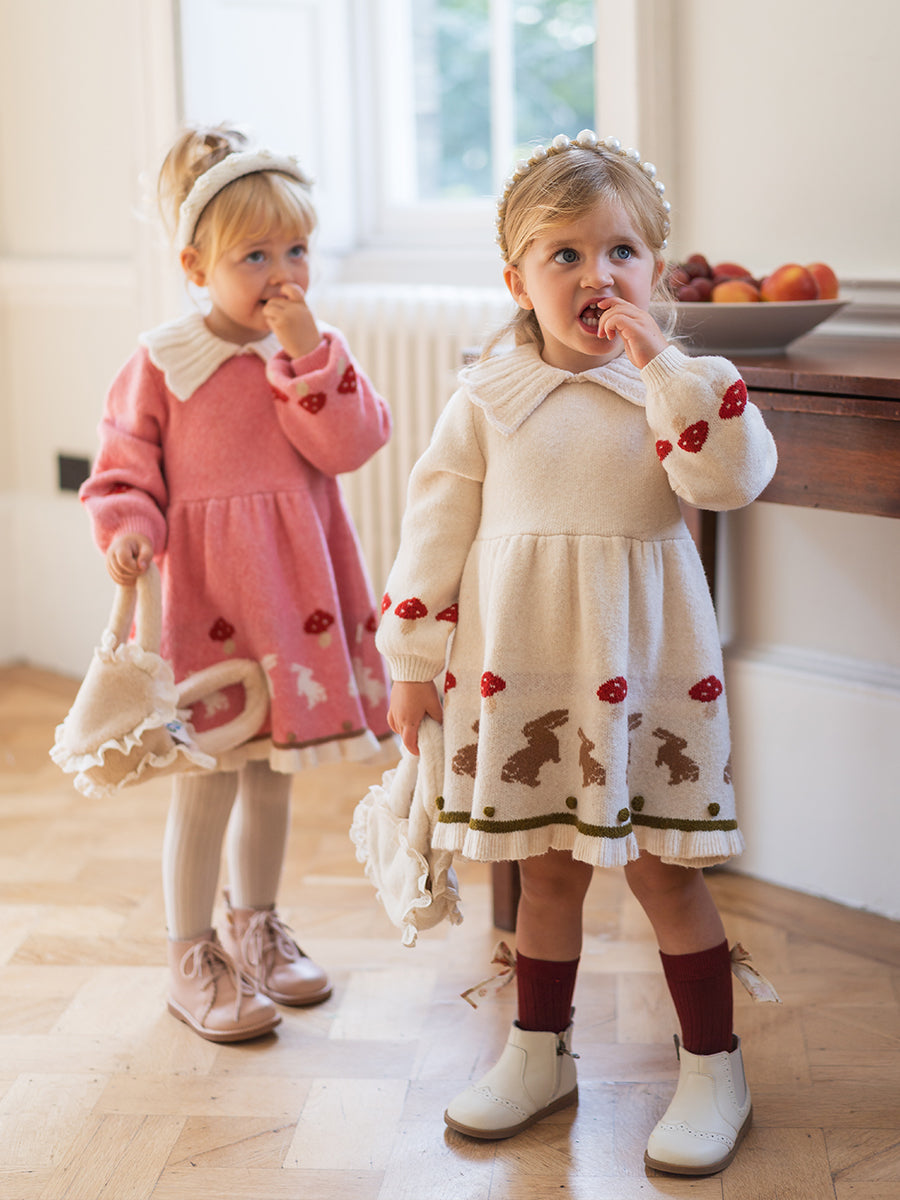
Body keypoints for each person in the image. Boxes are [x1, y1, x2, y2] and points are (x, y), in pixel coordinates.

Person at [375, 131, 777, 1175]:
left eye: (621, 252)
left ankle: (713, 1066)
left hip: (646, 673)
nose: (598, 275)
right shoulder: (486, 399)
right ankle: (538, 1053)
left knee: (665, 876)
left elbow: (730, 481)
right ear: (517, 280)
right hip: (528, 673)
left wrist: (663, 368)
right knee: (544, 877)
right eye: (566, 255)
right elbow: (432, 530)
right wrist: (412, 661)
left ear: (656, 271)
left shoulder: (683, 390)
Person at [80, 124, 394, 1043]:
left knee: (273, 774)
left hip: (292, 600)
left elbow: (351, 444)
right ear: (196, 265)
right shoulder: (161, 364)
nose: (282, 274)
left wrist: (306, 355)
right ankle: (190, 953)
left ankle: (256, 927)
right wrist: (130, 532)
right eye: (255, 256)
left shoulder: (313, 352)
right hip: (209, 609)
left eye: (296, 250)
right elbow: (121, 471)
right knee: (209, 776)